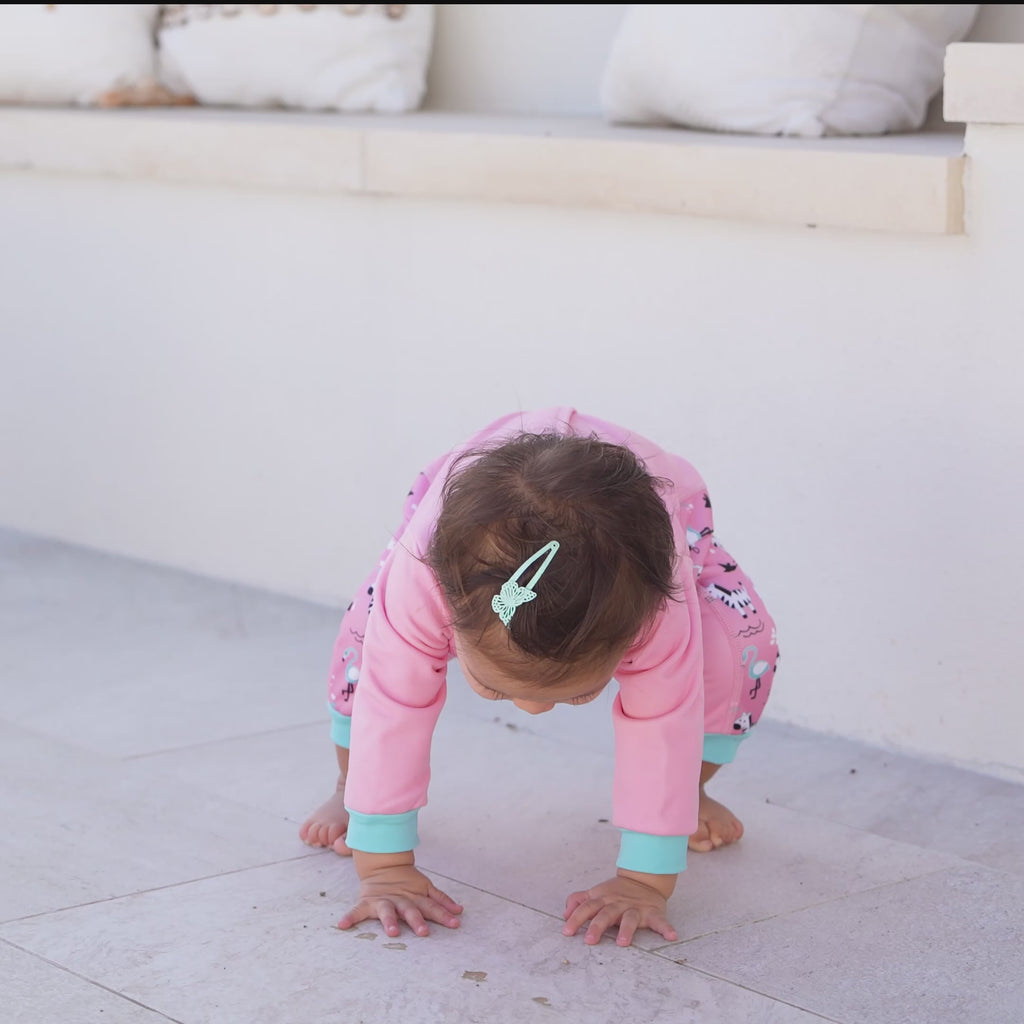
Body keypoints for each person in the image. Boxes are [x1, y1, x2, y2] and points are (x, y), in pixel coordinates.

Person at [299, 407, 779, 947]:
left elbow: (665, 720)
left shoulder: (655, 605)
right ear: (449, 616)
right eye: (495, 687)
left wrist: (645, 881)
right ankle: (348, 786)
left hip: (653, 532)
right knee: (369, 644)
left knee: (736, 648)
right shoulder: (424, 578)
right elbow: (392, 705)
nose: (532, 709)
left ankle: (690, 792)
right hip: (456, 522)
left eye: (575, 695)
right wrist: (384, 867)